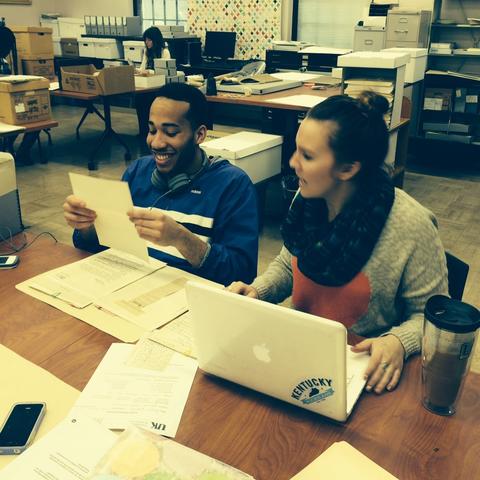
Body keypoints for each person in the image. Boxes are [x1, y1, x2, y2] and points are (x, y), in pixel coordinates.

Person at [229, 92, 448, 394]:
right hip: (296, 356)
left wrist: (398, 341)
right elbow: (288, 264)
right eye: (296, 150)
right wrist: (258, 290)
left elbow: (432, 318)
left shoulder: (412, 225)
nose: (293, 163)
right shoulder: (308, 198)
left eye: (307, 156)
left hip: (362, 376)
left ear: (347, 169)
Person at [64, 83, 259, 286]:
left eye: (171, 132)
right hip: (127, 287)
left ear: (199, 135)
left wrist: (182, 239)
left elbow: (241, 275)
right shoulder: (137, 172)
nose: (156, 143)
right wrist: (86, 226)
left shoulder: (233, 185)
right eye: (151, 130)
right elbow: (98, 247)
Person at [135, 26, 172, 139]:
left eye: (149, 40)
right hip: (147, 84)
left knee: (148, 102)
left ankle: (152, 131)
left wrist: (148, 71)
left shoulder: (164, 52)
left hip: (158, 85)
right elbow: (143, 67)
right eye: (145, 40)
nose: (147, 43)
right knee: (139, 100)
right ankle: (143, 131)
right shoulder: (147, 51)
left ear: (155, 40)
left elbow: (164, 72)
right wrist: (137, 71)